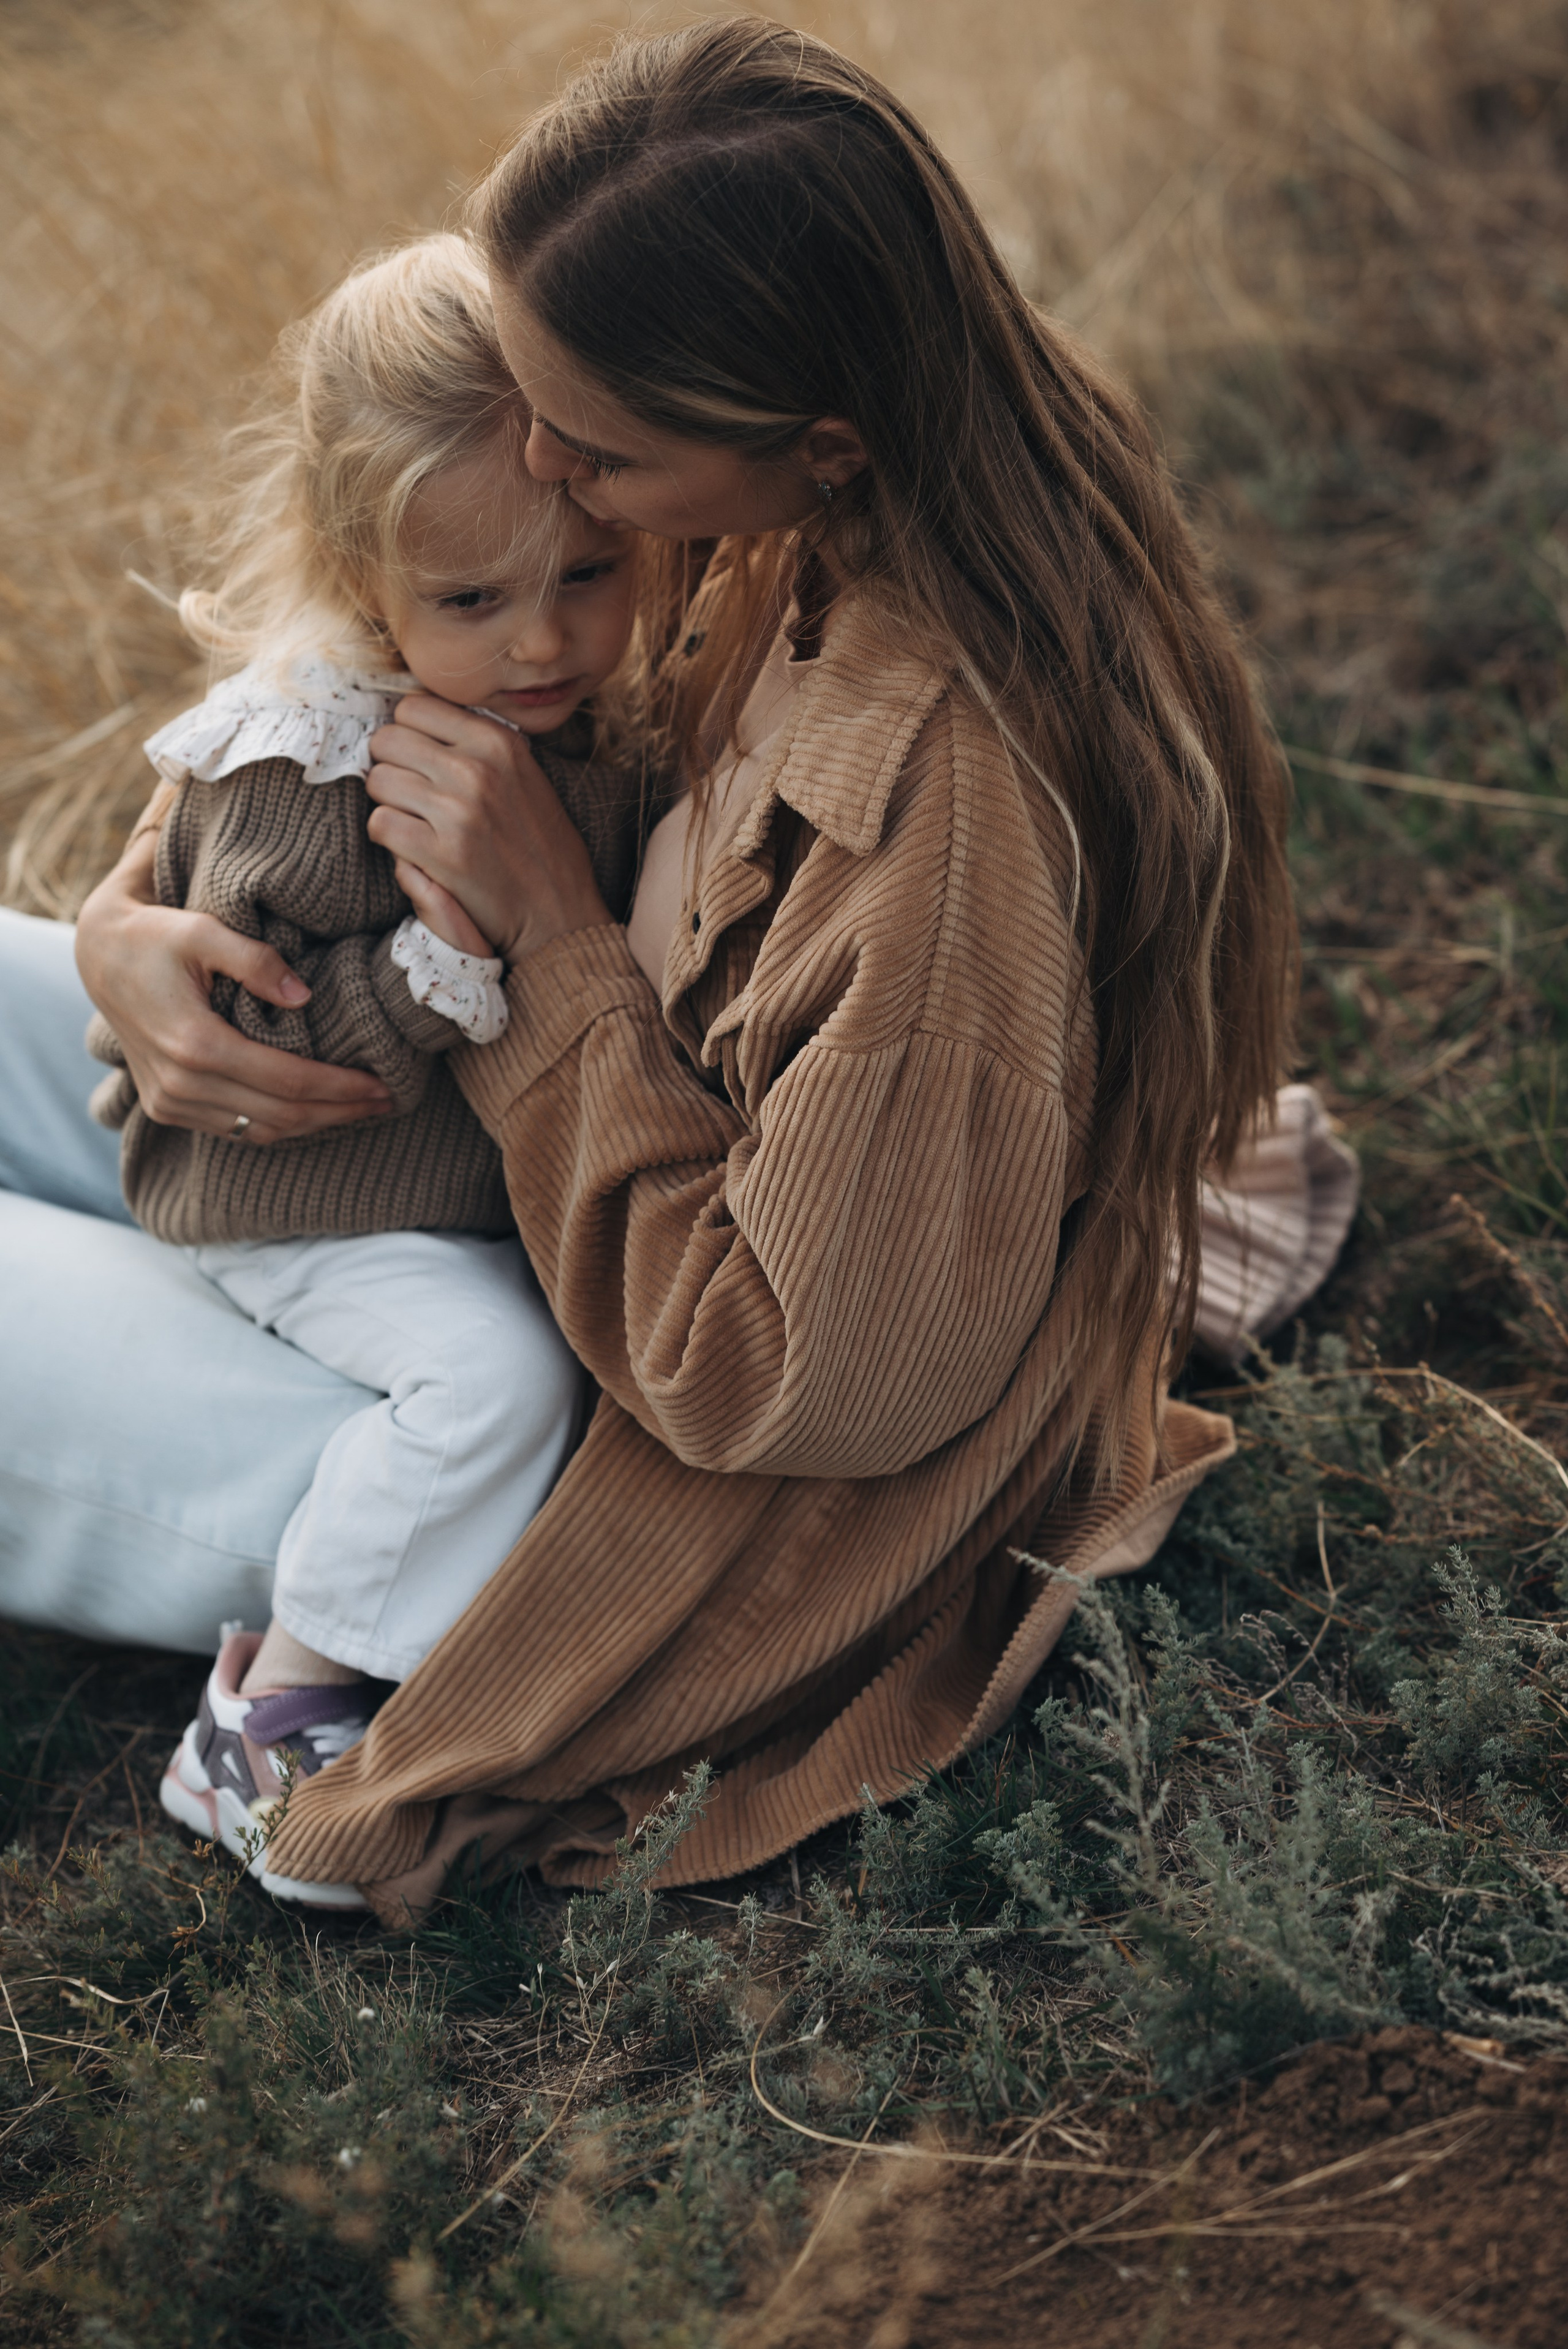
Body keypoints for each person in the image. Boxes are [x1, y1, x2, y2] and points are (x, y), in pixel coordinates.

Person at [19, 19, 1351, 1919]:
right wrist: (125, 929)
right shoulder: (798, 516)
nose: (548, 467)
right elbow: (366, 698)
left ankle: (292, 1679)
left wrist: (554, 942)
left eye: (599, 445)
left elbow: (787, 1385)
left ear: (807, 432)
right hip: (450, 1196)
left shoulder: (941, 830)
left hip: (532, 1464)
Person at [21, 235, 650, 1908]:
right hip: (304, 1182)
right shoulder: (324, 761)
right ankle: (272, 1705)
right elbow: (270, 1029)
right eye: (472, 601)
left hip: (402, 1175)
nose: (540, 642)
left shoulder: (565, 700)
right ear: (366, 584)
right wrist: (450, 960)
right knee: (492, 1380)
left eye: (588, 572)